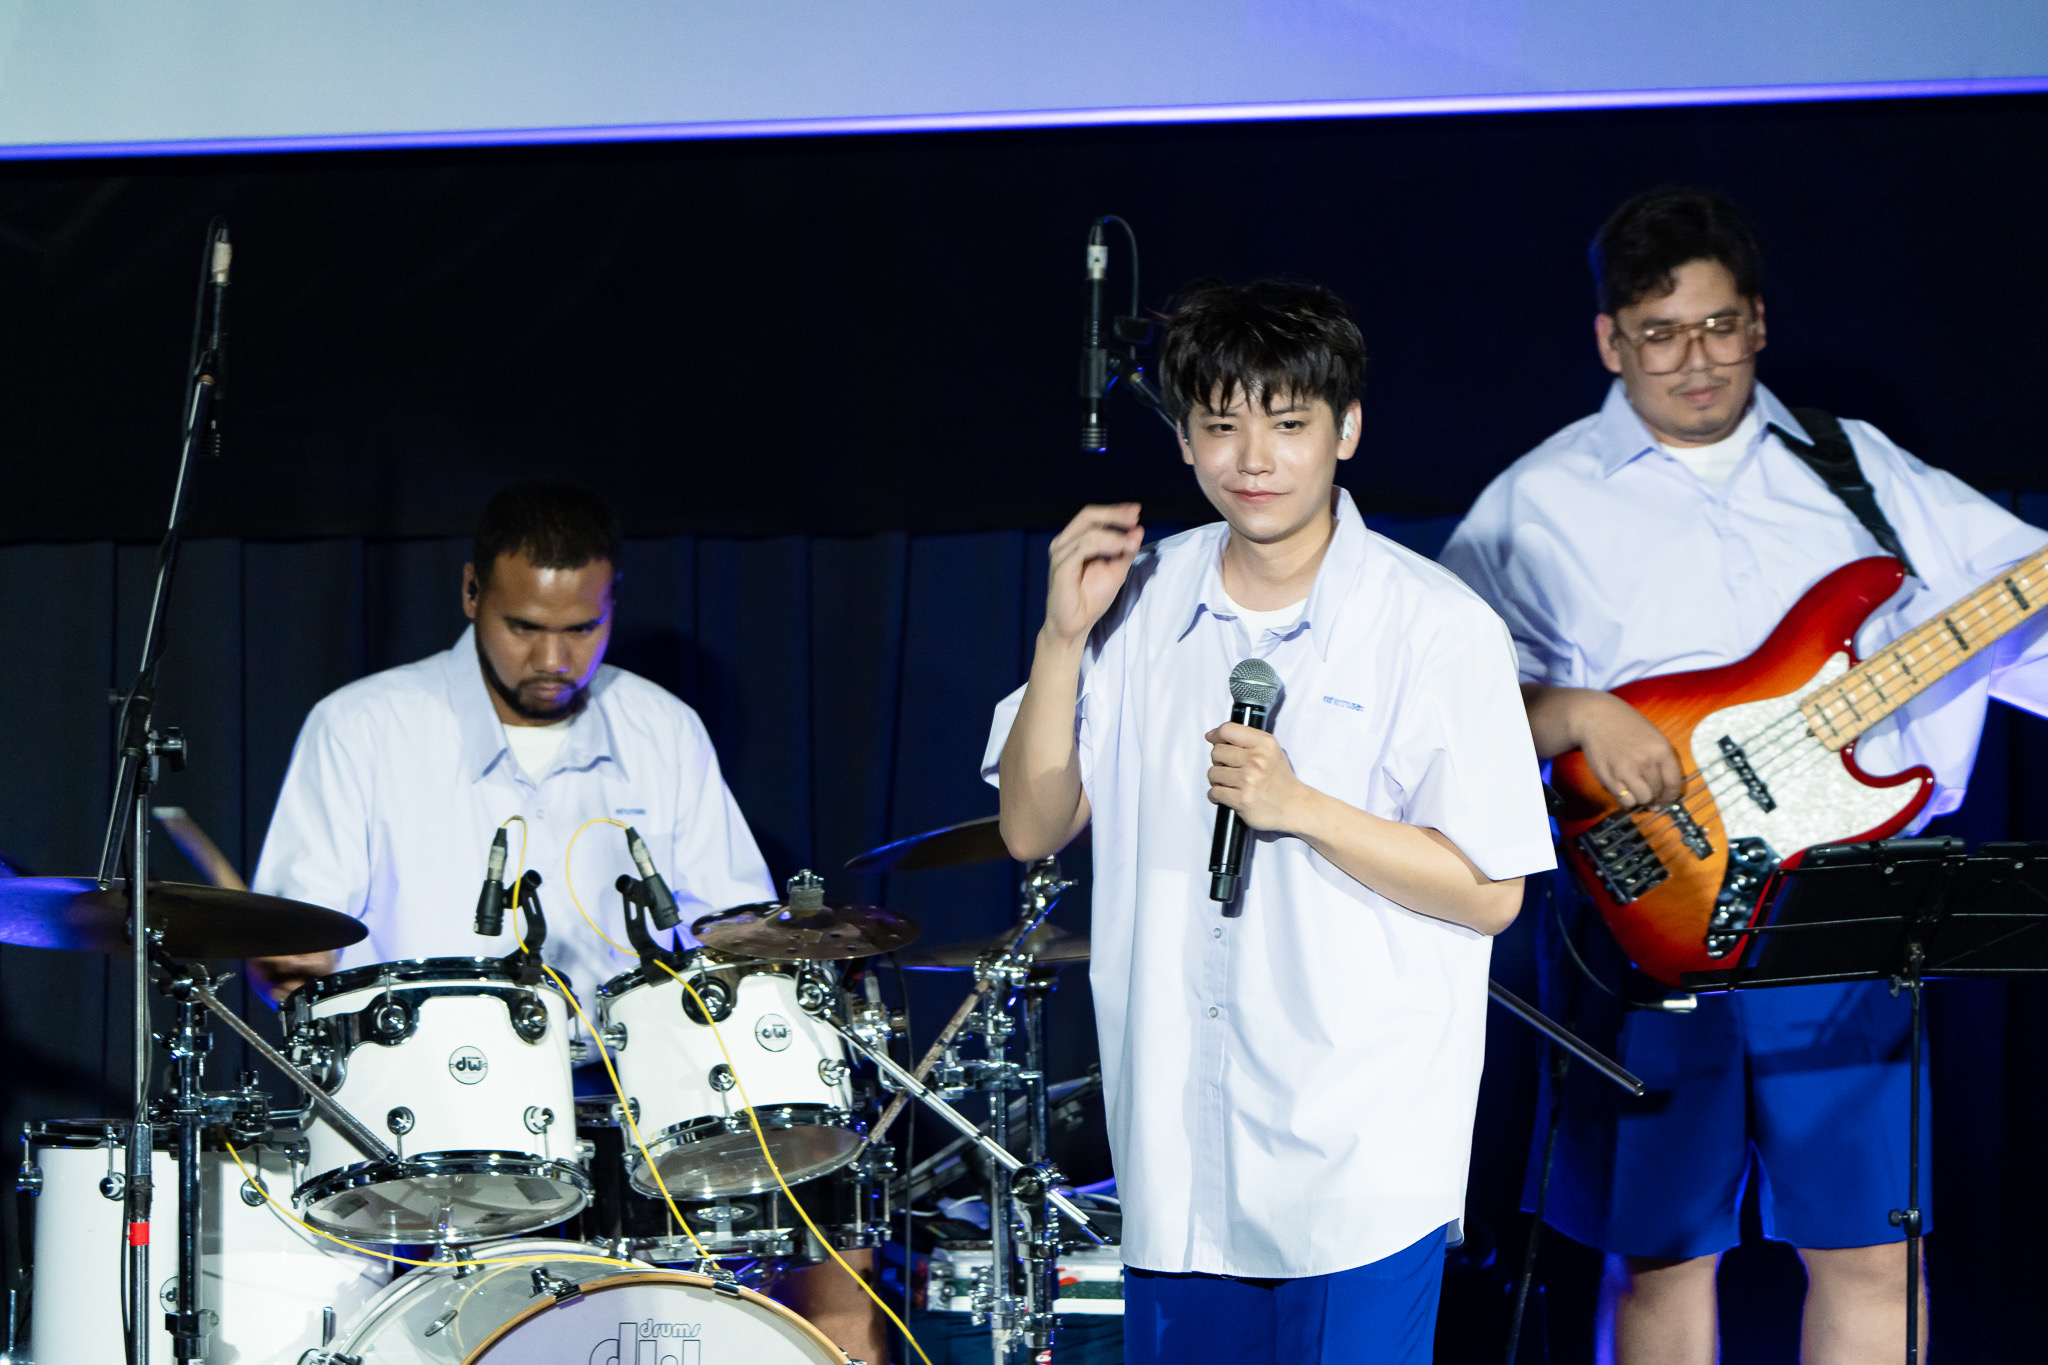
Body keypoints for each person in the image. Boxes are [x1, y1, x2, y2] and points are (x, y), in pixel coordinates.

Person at [1438, 187, 2048, 1364]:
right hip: (1646, 913)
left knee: (1871, 1252)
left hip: (1846, 911)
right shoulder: (1534, 503)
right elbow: (1441, 715)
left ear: (1758, 322)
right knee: (1660, 1257)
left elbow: (2017, 605)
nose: (1694, 360)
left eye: (1718, 326)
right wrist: (1576, 712)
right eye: (1659, 333)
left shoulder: (1851, 466)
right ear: (1608, 340)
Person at [986, 280, 1555, 1364]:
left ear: (1346, 429)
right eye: (1221, 426)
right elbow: (1030, 828)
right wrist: (1060, 640)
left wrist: (1300, 809)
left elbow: (1490, 893)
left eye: (1288, 424)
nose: (1253, 459)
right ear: (1185, 440)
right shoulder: (1136, 599)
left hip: (1357, 1156)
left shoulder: (1435, 626)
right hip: (1178, 1155)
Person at [246, 479, 889, 1363]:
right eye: (522, 627)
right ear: (470, 592)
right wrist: (286, 964)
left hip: (638, 1117)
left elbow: (734, 935)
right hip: (435, 1128)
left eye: (582, 629)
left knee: (831, 1247)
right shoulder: (362, 727)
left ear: (613, 601)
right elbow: (294, 947)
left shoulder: (663, 729)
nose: (553, 657)